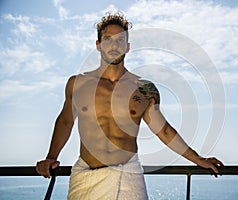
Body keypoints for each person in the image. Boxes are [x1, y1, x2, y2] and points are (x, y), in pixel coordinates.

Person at [36, 12, 224, 199]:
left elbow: (164, 131)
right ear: (98, 45)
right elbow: (65, 122)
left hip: (128, 179)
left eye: (120, 40)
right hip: (87, 178)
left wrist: (198, 159)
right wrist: (51, 157)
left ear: (127, 47)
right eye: (108, 39)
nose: (114, 45)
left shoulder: (144, 89)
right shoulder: (78, 84)